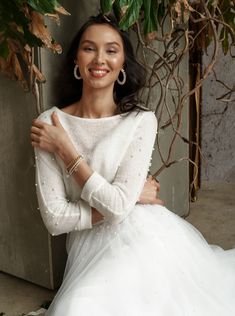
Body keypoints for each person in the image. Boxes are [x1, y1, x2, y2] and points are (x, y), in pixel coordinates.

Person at [31, 13, 235, 316]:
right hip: (89, 249)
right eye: (89, 48)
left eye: (111, 50)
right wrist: (130, 199)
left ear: (123, 64)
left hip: (146, 236)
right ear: (76, 58)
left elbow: (118, 209)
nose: (100, 58)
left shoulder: (140, 121)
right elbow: (55, 219)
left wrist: (66, 150)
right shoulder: (50, 123)